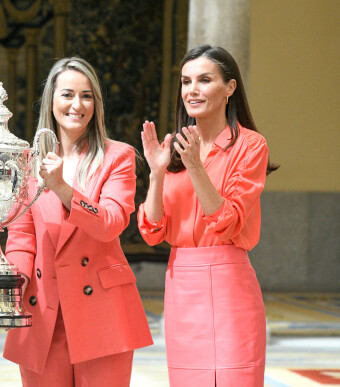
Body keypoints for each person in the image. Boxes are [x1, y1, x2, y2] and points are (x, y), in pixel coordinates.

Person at [3, 57, 153, 387]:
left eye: (87, 96)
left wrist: (62, 188)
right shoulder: (28, 161)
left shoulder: (118, 156)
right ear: (51, 101)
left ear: (96, 103)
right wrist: (12, 285)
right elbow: (21, 237)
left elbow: (112, 223)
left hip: (102, 311)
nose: (77, 104)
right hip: (41, 310)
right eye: (68, 94)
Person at [138, 44, 278, 386]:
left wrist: (196, 168)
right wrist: (156, 174)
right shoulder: (174, 146)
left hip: (231, 286)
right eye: (186, 82)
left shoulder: (250, 145)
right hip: (181, 286)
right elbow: (153, 231)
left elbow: (228, 220)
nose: (192, 90)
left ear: (230, 87)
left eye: (204, 80)